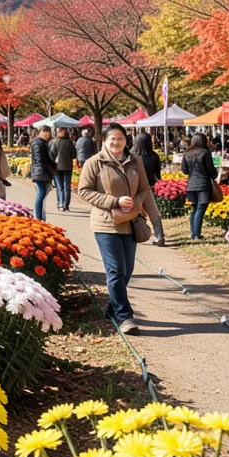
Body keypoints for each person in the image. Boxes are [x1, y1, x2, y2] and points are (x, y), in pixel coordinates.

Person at [77, 123, 153, 335]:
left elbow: (146, 189)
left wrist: (135, 203)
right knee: (116, 271)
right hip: (105, 224)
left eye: (120, 138)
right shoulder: (95, 162)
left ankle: (112, 308)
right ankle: (124, 316)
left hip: (130, 222)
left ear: (126, 140)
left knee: (126, 271)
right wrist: (114, 201)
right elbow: (83, 191)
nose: (117, 142)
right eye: (112, 139)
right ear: (104, 141)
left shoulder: (135, 161)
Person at [179, 133, 217, 241]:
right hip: (203, 184)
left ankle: (193, 233)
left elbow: (184, 170)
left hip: (191, 184)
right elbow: (211, 170)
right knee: (201, 207)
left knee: (195, 208)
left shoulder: (187, 153)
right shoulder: (205, 153)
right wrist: (215, 175)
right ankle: (196, 234)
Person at [131, 133, 167, 246]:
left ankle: (133, 234)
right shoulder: (154, 156)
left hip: (133, 188)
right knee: (154, 214)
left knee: (132, 212)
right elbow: (158, 175)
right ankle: (160, 236)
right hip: (148, 188)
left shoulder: (131, 156)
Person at [29, 126, 55, 220]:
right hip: (40, 172)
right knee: (41, 193)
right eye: (49, 133)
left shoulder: (41, 142)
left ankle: (40, 216)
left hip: (41, 171)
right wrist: (49, 168)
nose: (50, 136)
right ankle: (38, 216)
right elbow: (40, 159)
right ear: (44, 132)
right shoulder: (38, 143)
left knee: (42, 193)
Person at [50, 127, 76, 211]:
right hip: (68, 166)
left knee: (59, 186)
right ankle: (66, 205)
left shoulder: (55, 142)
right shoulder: (69, 143)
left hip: (57, 166)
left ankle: (60, 203)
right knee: (67, 186)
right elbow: (74, 155)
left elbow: (52, 154)